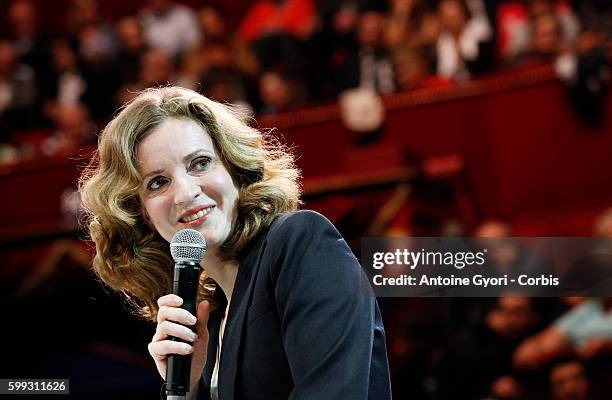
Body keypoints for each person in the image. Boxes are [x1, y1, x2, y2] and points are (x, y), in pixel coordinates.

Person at [78, 86, 391, 399]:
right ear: (141, 212)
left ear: (233, 167)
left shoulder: (300, 241)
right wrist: (187, 391)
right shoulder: (209, 318)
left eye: (200, 163)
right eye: (158, 182)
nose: (186, 193)